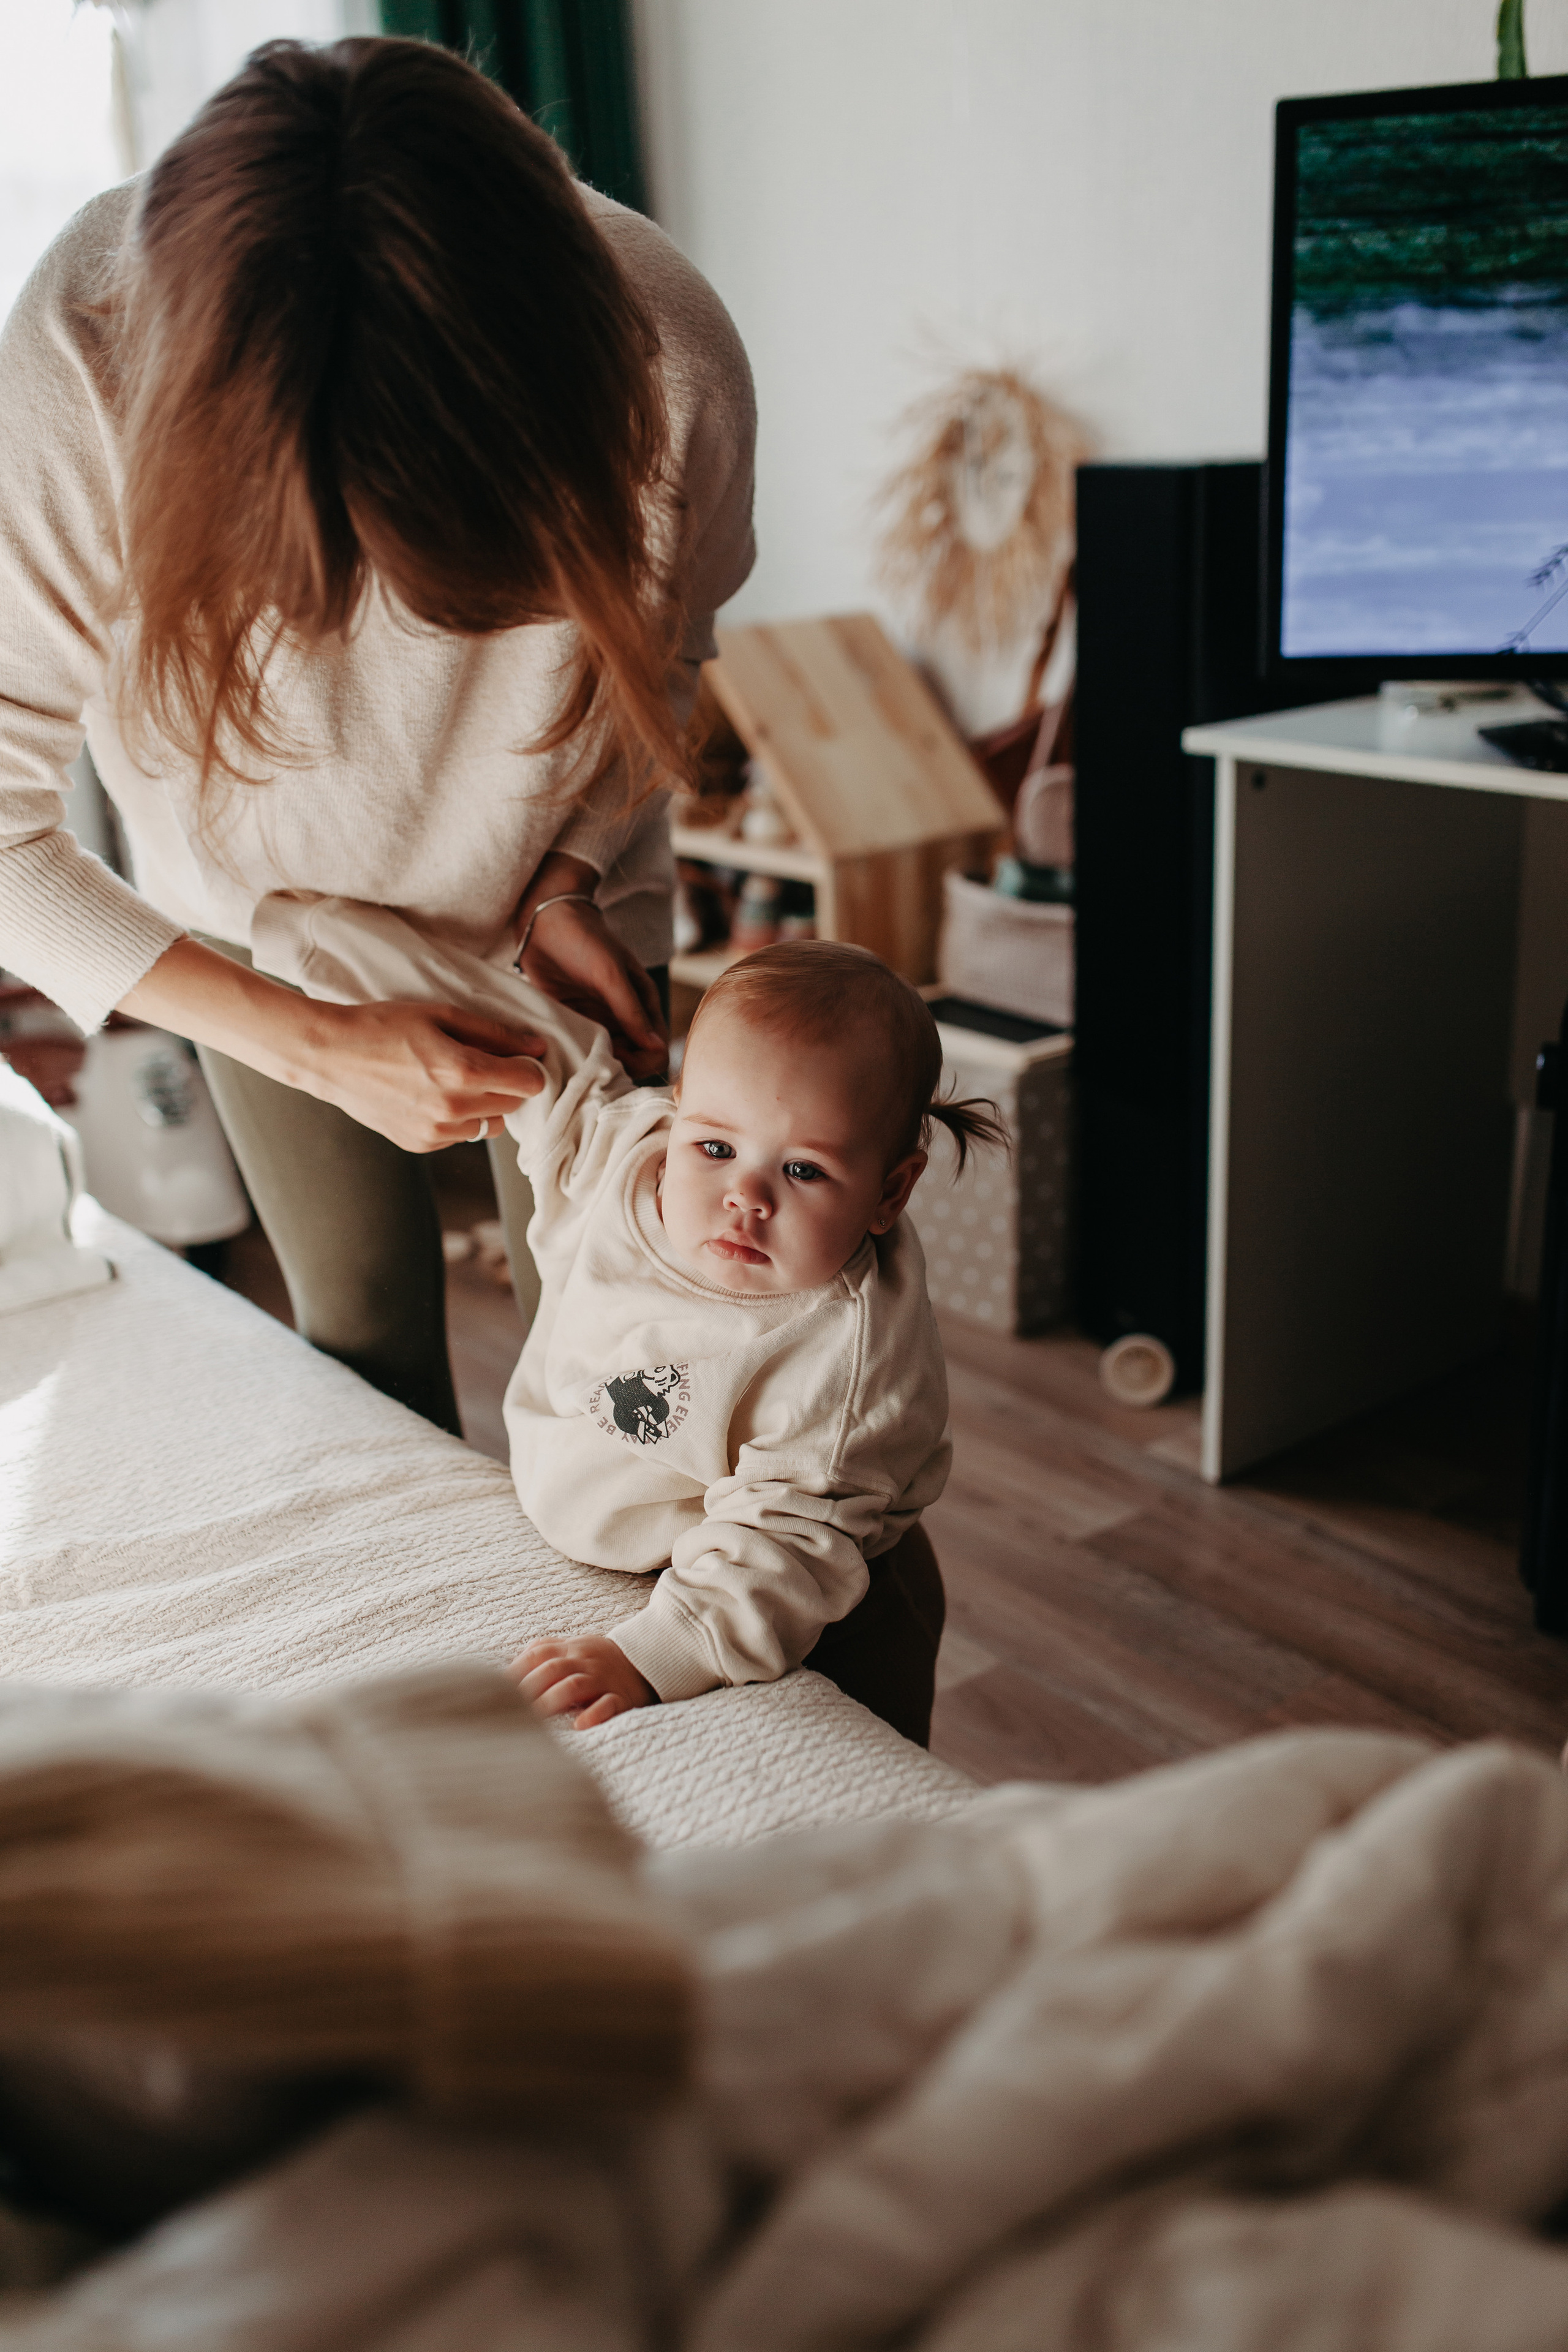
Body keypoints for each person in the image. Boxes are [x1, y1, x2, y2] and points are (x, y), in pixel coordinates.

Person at [0, 36, 755, 1433]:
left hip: (557, 905)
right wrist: (303, 1041)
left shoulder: (669, 349)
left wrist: (572, 873)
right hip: (253, 923)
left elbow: (668, 660)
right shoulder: (82, 355)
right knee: (357, 1342)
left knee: (613, 1360)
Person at [251, 896, 1006, 1744]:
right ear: (678, 1110)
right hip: (634, 1544)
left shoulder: (844, 1358)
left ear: (891, 1192)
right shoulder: (618, 1152)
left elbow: (786, 1549)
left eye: (803, 1171)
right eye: (716, 1147)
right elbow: (524, 1039)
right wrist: (328, 942)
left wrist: (653, 1655)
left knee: (873, 1782)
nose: (745, 1198)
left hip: (833, 1604)